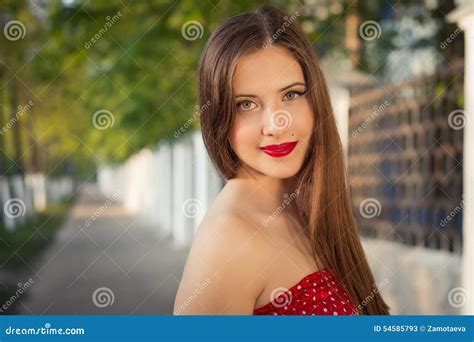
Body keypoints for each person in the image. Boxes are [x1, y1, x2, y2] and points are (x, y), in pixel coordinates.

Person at [174, 4, 389, 315]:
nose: (276, 125)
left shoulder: (303, 208)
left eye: (291, 95)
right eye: (246, 104)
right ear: (218, 116)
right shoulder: (229, 238)